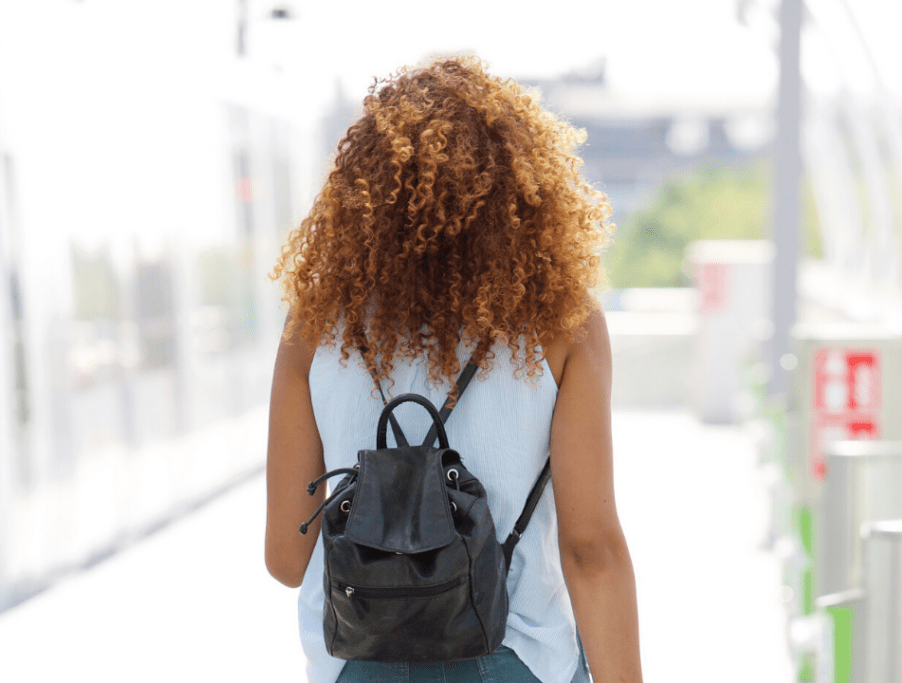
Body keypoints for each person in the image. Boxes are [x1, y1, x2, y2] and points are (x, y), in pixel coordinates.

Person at [265, 56, 642, 683]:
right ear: (522, 189)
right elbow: (591, 551)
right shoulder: (563, 326)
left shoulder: (314, 327)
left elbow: (285, 557)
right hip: (510, 659)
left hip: (358, 667)